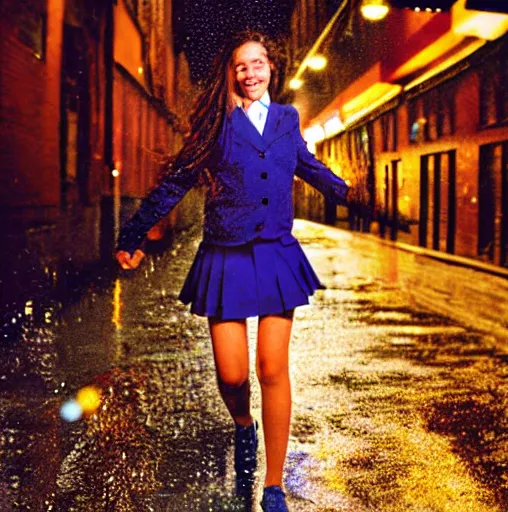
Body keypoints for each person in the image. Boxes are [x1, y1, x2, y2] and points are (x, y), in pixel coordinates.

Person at [116, 30, 349, 512]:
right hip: (226, 254)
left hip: (276, 253)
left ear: (271, 68)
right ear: (232, 73)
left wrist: (350, 193)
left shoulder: (287, 118)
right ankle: (245, 425)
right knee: (232, 372)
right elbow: (175, 182)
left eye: (259, 63)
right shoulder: (216, 125)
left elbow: (307, 165)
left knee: (272, 368)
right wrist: (133, 234)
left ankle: (274, 483)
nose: (252, 73)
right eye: (242, 66)